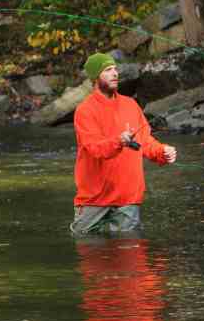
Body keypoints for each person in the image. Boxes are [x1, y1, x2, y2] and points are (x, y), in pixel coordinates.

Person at [71, 52, 176, 236]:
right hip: (94, 199)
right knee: (90, 254)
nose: (115, 73)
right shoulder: (84, 111)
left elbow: (146, 141)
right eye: (108, 70)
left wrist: (163, 152)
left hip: (128, 197)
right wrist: (119, 141)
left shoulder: (131, 105)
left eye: (115, 69)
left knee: (129, 257)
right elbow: (95, 148)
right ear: (96, 77)